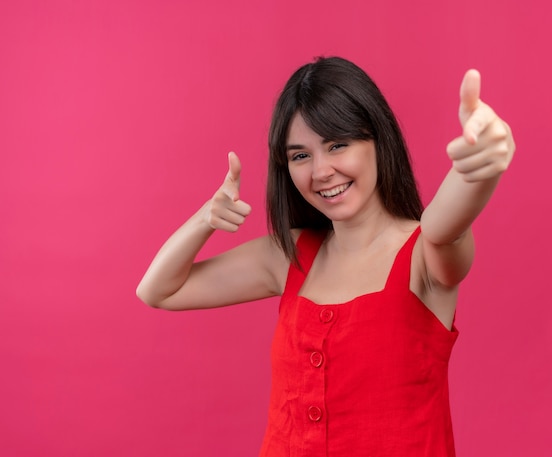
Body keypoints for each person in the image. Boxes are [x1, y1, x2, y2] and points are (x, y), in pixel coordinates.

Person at [136, 56, 515, 456]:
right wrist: (205, 220)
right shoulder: (290, 257)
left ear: (378, 140)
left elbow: (444, 224)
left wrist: (482, 163)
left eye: (338, 145)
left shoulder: (425, 254)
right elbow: (158, 290)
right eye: (301, 156)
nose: (321, 171)